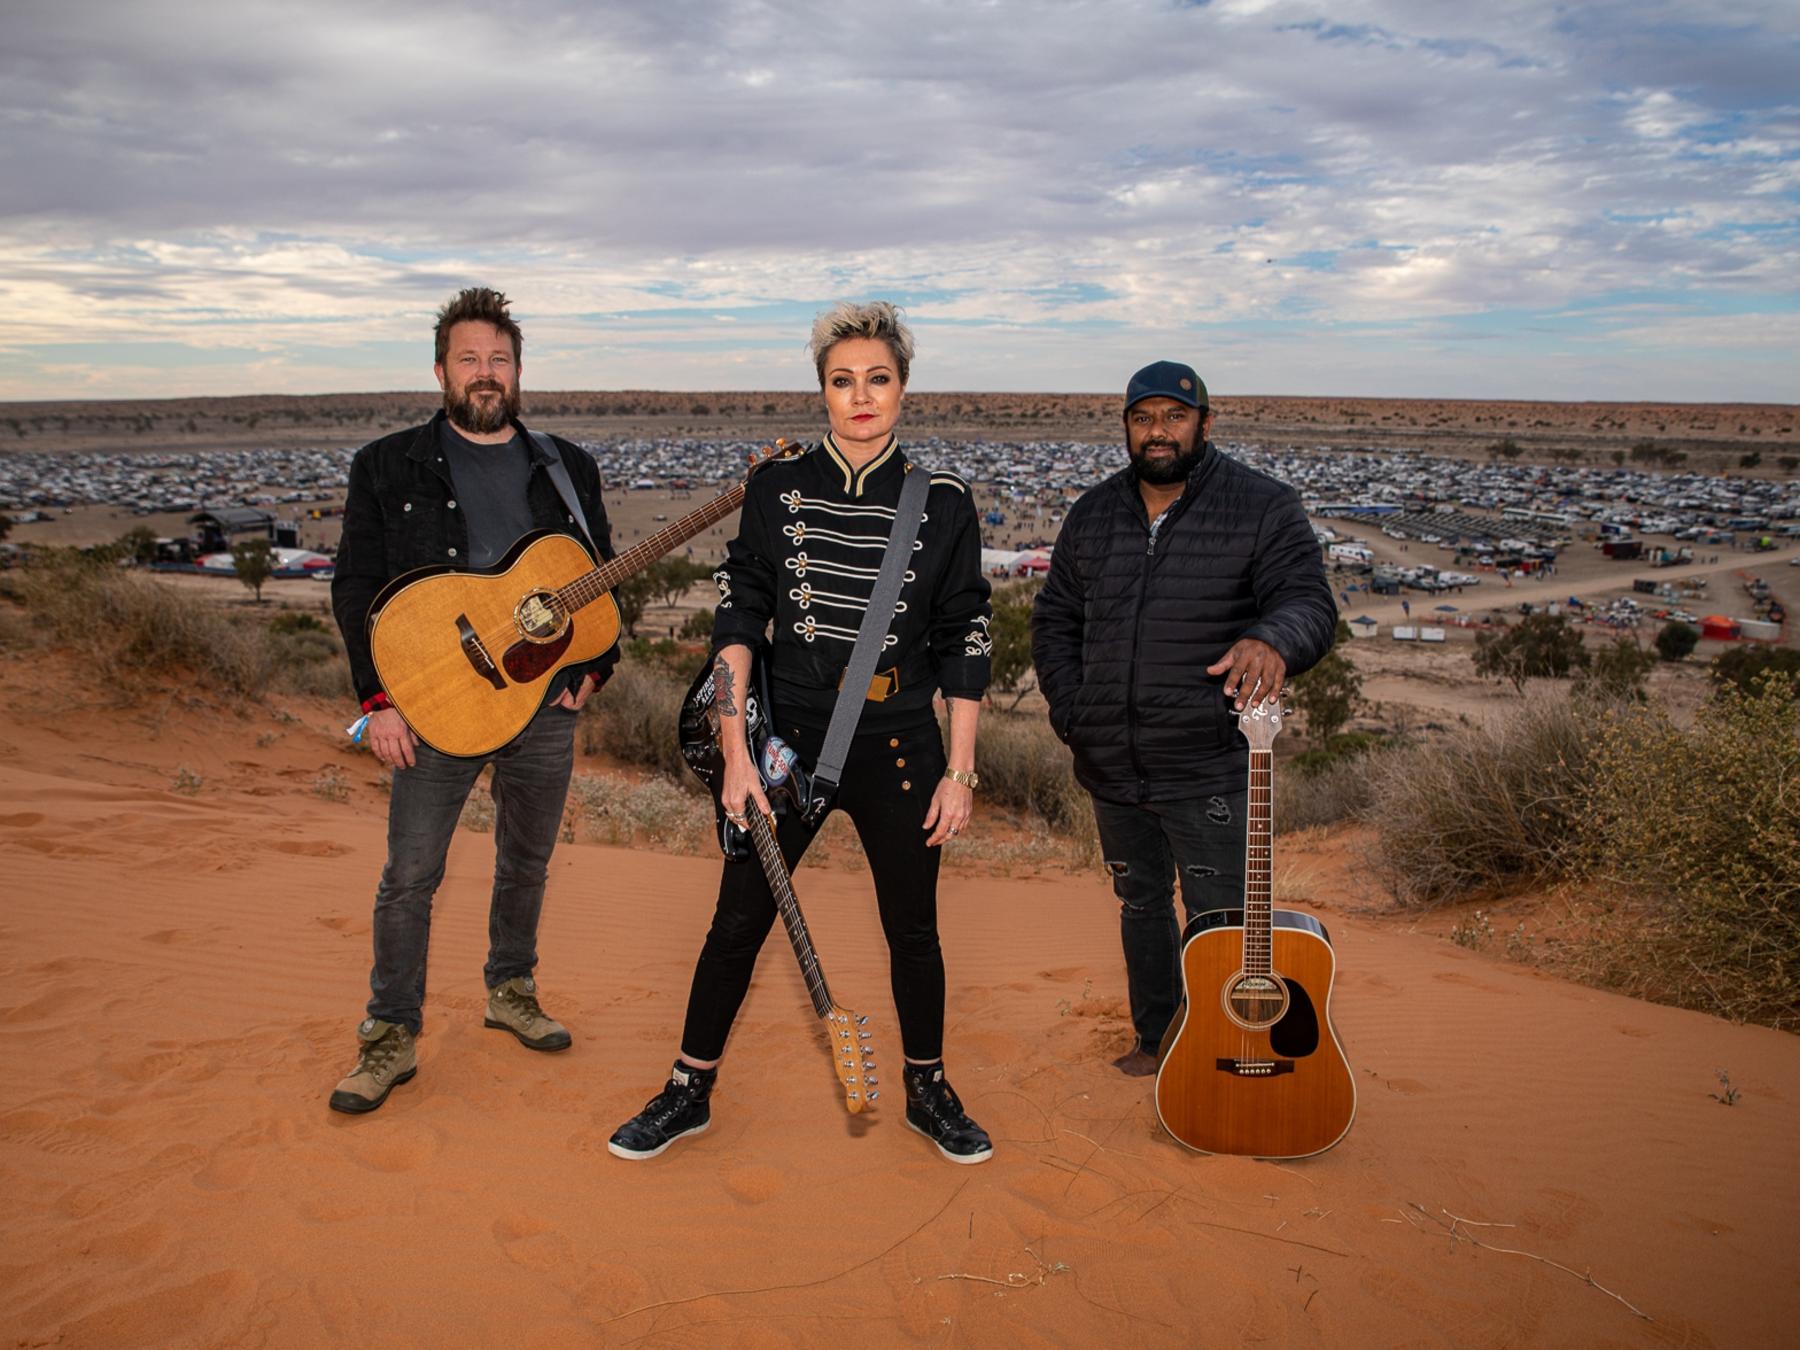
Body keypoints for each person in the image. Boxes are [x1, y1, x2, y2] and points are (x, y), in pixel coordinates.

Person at [608, 302, 996, 1163]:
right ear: (821, 390)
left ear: (904, 388)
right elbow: (738, 619)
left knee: (914, 928)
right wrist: (736, 758)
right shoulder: (776, 488)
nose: (861, 398)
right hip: (784, 740)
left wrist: (959, 770)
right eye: (842, 380)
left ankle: (927, 1089)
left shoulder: (943, 503)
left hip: (901, 744)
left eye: (879, 379)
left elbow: (966, 636)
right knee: (737, 920)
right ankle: (687, 1088)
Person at [325, 287, 617, 1114]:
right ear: (441, 371)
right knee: (411, 876)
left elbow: (592, 582)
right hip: (436, 709)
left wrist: (595, 670)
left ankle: (510, 991)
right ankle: (387, 1039)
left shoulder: (566, 467)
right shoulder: (388, 465)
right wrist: (379, 699)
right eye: (469, 359)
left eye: (499, 359)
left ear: (518, 370)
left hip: (541, 708)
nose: (485, 373)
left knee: (526, 862)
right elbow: (356, 588)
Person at [1030, 361, 1336, 1077]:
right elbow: (1055, 621)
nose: (1158, 432)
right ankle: (1156, 1039)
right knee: (1140, 904)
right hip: (1112, 763)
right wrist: (1076, 713)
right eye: (1143, 418)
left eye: (1174, 416)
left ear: (1204, 423)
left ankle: (1224, 1050)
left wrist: (1273, 639)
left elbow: (1309, 603)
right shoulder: (1095, 513)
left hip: (1207, 763)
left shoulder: (1261, 506)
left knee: (1222, 921)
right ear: (1126, 427)